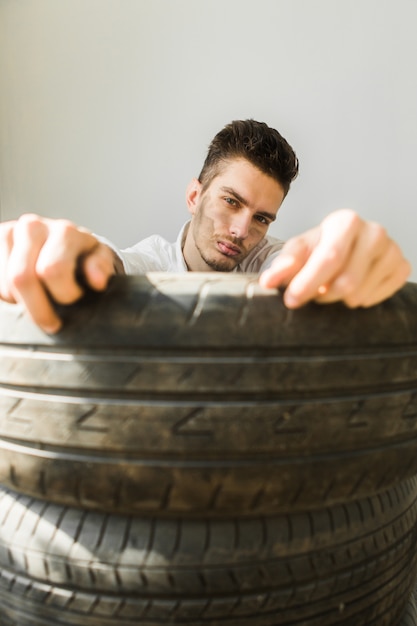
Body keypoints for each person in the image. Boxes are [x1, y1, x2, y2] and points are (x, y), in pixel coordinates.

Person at [0, 119, 411, 334]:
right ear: (195, 196)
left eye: (261, 218)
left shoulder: (262, 259)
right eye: (230, 202)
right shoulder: (151, 260)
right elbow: (116, 263)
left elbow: (290, 262)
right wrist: (73, 256)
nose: (240, 230)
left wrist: (336, 254)